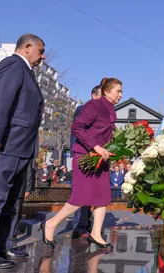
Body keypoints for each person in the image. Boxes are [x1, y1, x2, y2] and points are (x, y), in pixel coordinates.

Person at [0, 33, 45, 269]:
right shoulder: (12, 65)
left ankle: (3, 246)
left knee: (11, 202)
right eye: (40, 51)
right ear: (27, 47)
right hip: (6, 145)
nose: (42, 56)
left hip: (21, 148)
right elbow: (0, 102)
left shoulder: (27, 71)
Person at [42, 77, 123, 250]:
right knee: (81, 197)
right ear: (107, 91)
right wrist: (95, 146)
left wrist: (110, 148)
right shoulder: (94, 105)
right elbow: (77, 127)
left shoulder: (110, 109)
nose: (121, 95)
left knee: (102, 196)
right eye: (118, 91)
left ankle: (96, 233)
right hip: (85, 156)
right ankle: (51, 223)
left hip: (100, 157)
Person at [70, 85, 101, 239]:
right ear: (93, 95)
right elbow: (78, 131)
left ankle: (86, 224)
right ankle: (79, 226)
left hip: (94, 156)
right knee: (81, 192)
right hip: (83, 156)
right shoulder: (84, 109)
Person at [12, 159, 36, 246]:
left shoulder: (25, 151)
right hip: (5, 187)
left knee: (16, 213)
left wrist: (28, 189)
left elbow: (29, 171)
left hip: (19, 188)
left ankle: (12, 236)